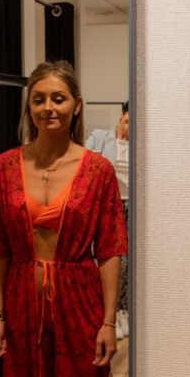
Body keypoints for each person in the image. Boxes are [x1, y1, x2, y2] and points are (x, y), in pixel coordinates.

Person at [0, 61, 127, 377]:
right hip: (22, 299)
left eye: (58, 98)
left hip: (79, 299)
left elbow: (110, 250)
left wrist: (107, 322)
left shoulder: (98, 170)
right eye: (39, 99)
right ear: (29, 105)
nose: (49, 108)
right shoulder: (4, 167)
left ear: (76, 105)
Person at [86, 102, 130, 337]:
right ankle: (109, 314)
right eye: (128, 120)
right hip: (108, 204)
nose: (130, 126)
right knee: (114, 261)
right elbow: (84, 162)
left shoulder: (139, 144)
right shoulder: (99, 137)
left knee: (129, 263)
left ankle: (123, 311)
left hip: (131, 204)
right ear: (122, 115)